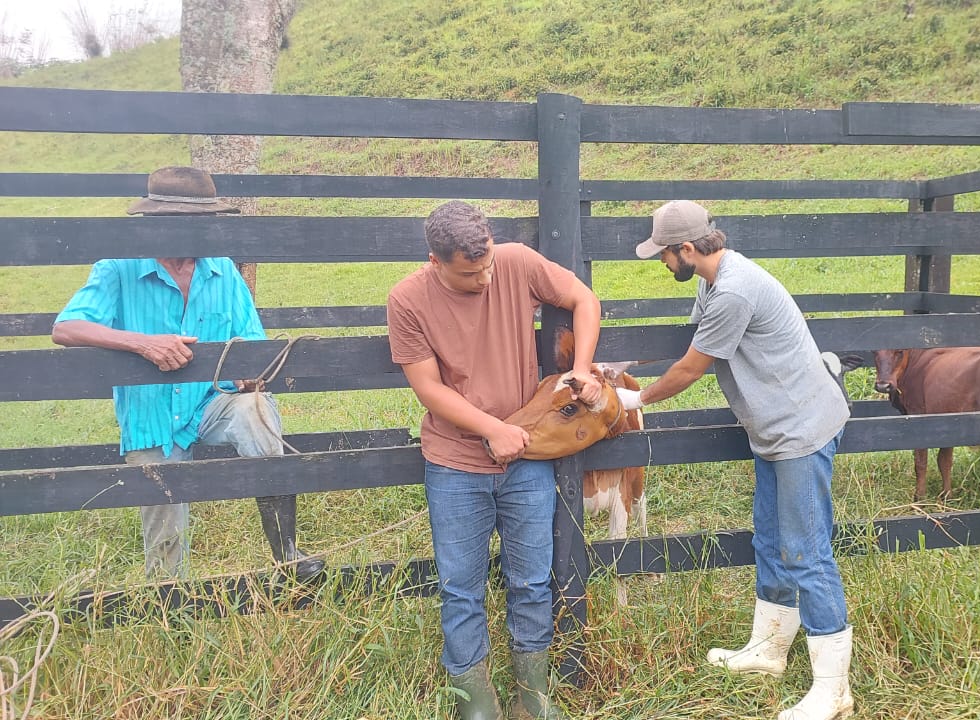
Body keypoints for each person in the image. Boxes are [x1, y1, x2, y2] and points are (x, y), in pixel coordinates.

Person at [618, 200, 853, 720]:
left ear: (686, 249)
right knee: (769, 539)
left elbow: (690, 369)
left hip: (800, 429)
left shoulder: (733, 292)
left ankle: (833, 690)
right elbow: (691, 346)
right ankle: (769, 651)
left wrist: (633, 399)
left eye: (662, 254)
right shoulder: (711, 281)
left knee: (806, 553)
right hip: (773, 430)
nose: (660, 263)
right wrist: (620, 365)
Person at [51, 165, 324, 581]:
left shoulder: (223, 270)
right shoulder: (117, 268)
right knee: (164, 531)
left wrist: (251, 375)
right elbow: (66, 328)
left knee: (257, 410)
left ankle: (288, 556)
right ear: (155, 221)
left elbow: (252, 342)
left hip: (211, 401)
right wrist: (142, 343)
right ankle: (168, 604)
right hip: (152, 414)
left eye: (204, 220)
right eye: (188, 221)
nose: (200, 229)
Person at [386, 200, 602, 720]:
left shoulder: (515, 261)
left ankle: (534, 699)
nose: (485, 277)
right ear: (435, 261)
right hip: (455, 461)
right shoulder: (408, 300)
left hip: (529, 453)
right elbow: (429, 390)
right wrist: (491, 429)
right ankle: (475, 706)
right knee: (461, 587)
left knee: (531, 579)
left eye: (486, 265)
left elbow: (583, 298)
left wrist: (583, 368)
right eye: (469, 272)